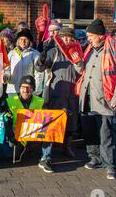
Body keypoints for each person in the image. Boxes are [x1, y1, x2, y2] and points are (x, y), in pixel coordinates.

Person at [78, 19, 116, 180]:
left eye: (91, 36)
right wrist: (76, 62)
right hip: (87, 98)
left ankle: (111, 166)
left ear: (100, 35)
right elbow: (82, 70)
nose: (88, 39)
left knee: (105, 134)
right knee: (89, 131)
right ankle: (95, 158)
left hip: (105, 99)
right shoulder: (89, 49)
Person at [35, 27, 83, 158]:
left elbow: (82, 70)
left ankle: (67, 146)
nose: (67, 40)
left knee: (71, 123)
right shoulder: (54, 52)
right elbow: (40, 68)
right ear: (59, 39)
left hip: (73, 94)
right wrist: (41, 60)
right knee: (53, 122)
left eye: (69, 37)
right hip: (56, 93)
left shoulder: (77, 52)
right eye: (64, 37)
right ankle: (48, 153)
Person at [5, 76, 50, 172]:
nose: (25, 90)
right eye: (23, 87)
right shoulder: (11, 101)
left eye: (28, 87)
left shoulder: (40, 101)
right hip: (16, 134)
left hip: (34, 132)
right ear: (19, 88)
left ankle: (45, 159)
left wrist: (61, 113)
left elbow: (48, 117)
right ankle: (23, 149)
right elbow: (6, 120)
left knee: (50, 129)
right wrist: (10, 135)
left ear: (33, 89)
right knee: (8, 154)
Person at [6, 28, 44, 96]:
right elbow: (7, 69)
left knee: (26, 107)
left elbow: (38, 73)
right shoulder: (11, 53)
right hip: (13, 90)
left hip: (27, 90)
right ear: (18, 41)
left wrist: (37, 90)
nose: (23, 42)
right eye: (21, 39)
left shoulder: (35, 54)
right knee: (14, 107)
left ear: (29, 41)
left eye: (25, 39)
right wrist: (6, 76)